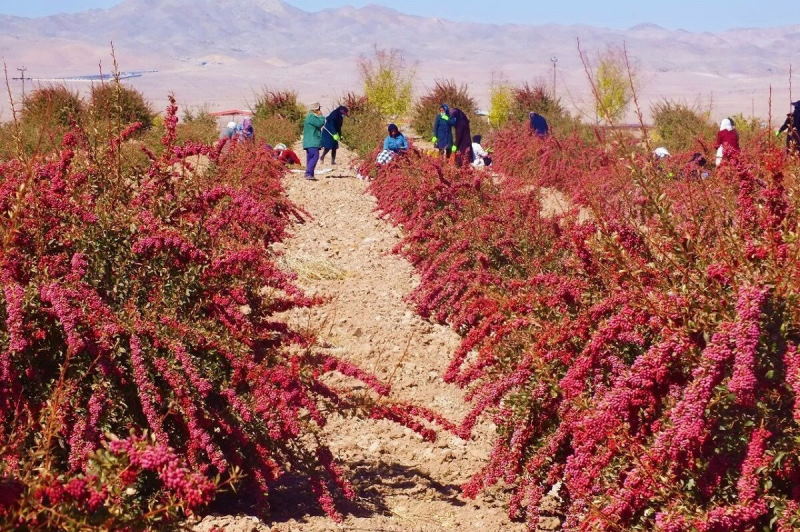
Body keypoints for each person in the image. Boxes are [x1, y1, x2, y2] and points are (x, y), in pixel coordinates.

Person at [302, 103, 325, 180]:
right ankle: (308, 173)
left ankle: (309, 174)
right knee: (315, 156)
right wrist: (321, 116)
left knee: (310, 157)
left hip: (309, 142)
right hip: (312, 141)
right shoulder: (312, 117)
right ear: (316, 109)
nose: (320, 110)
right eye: (319, 109)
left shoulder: (309, 117)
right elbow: (320, 123)